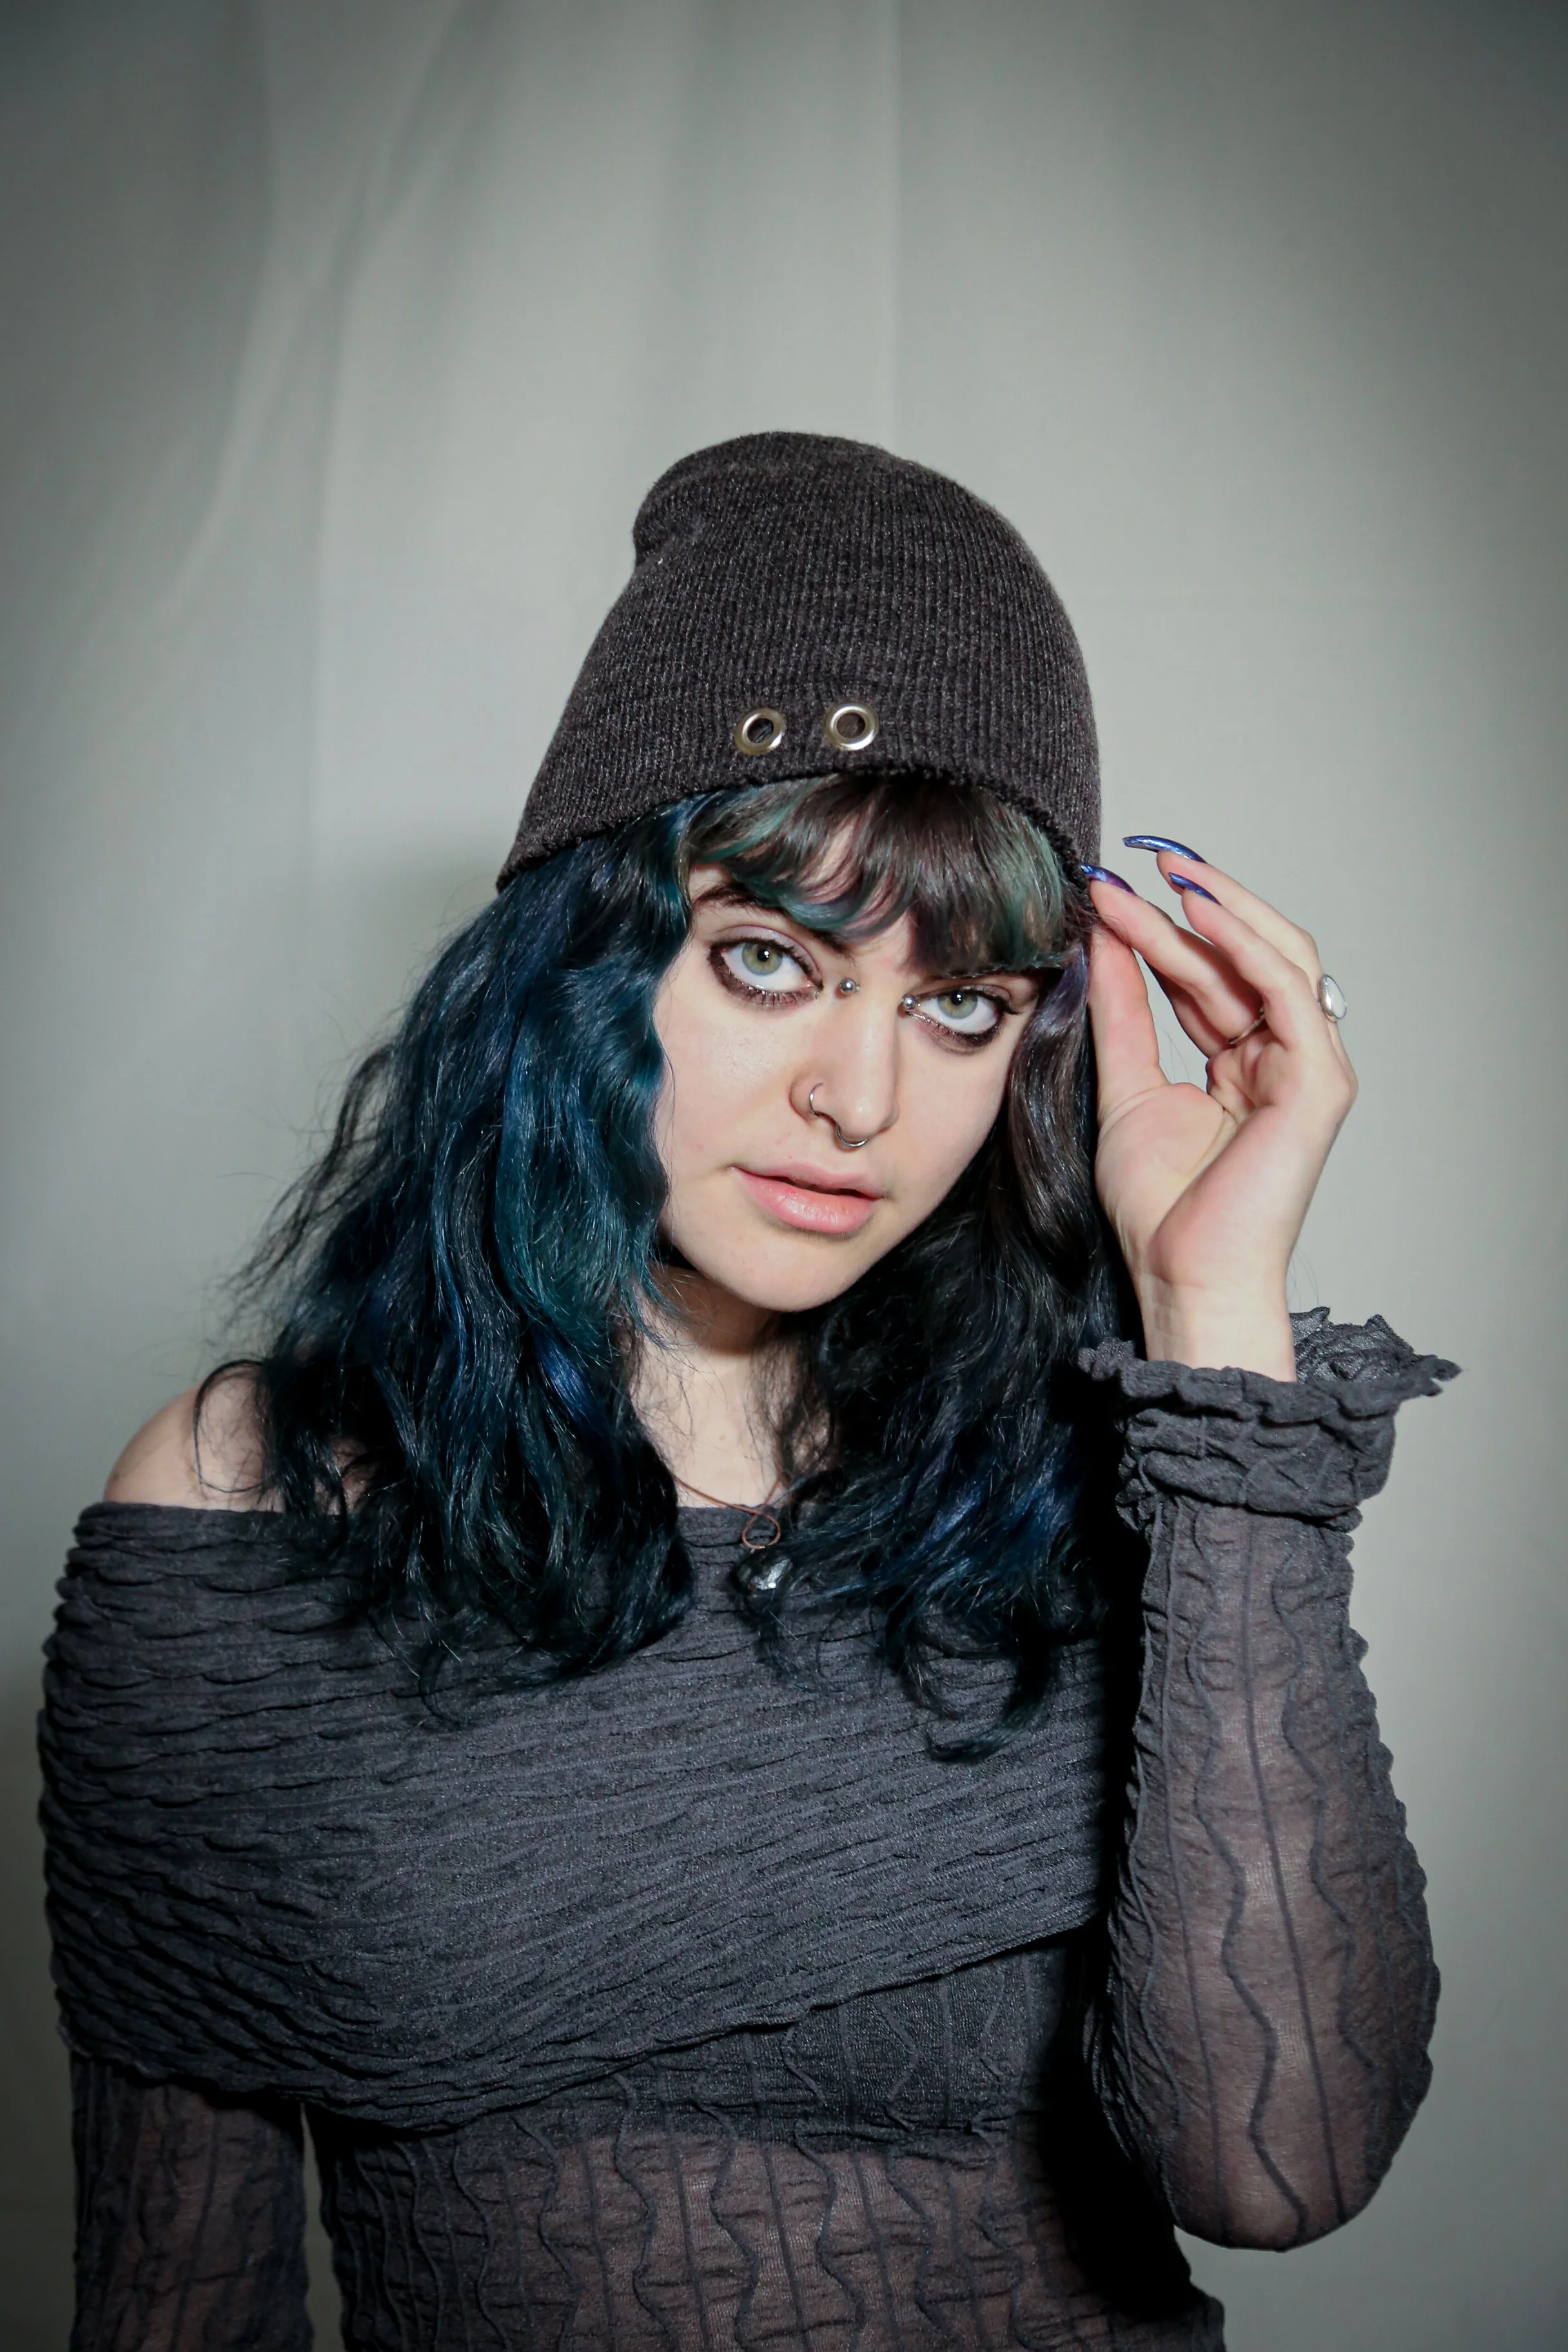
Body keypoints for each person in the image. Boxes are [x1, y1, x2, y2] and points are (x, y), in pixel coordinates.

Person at [41, 433, 1451, 2351]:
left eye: (959, 1005)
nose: (863, 1102)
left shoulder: (1096, 1483)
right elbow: (173, 2301)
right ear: (574, 969)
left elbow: (1277, 2168)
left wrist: (1214, 1315)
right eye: (771, 962)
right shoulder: (248, 1506)